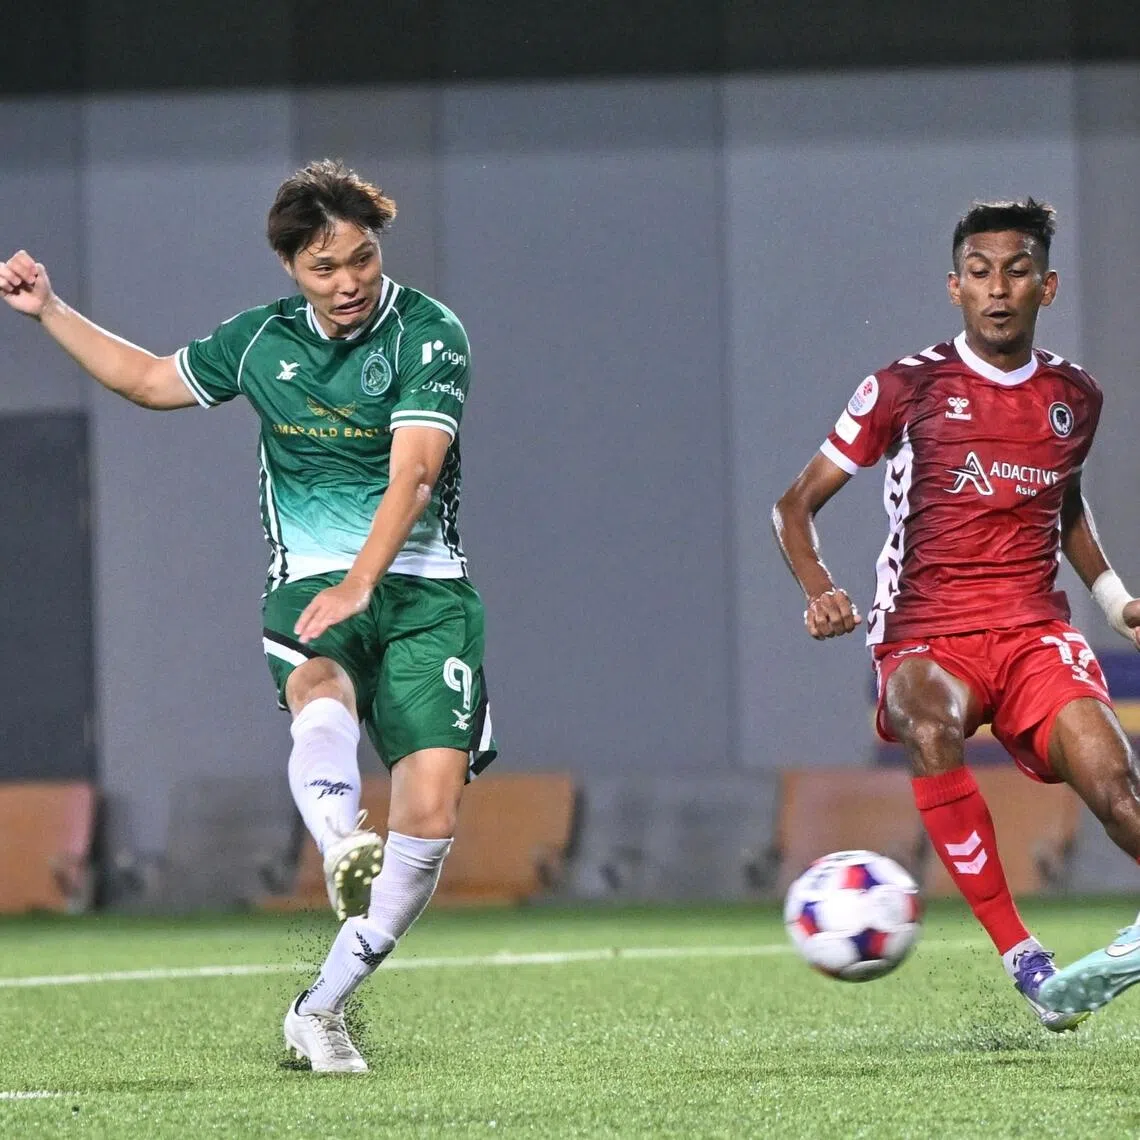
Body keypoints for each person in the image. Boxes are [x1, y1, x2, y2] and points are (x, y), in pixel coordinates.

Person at [0, 159, 496, 1072]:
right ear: (289, 268)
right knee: (320, 686)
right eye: (324, 267)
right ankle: (342, 837)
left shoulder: (430, 335)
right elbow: (150, 381)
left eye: (364, 259)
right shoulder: (260, 344)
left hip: (427, 593)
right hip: (311, 578)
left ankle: (322, 1009)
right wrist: (52, 311)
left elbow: (416, 474)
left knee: (429, 821)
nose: (349, 283)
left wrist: (366, 582)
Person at [771, 198, 1140, 1032]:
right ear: (954, 287)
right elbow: (793, 507)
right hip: (926, 632)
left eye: (1015, 272)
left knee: (1116, 787)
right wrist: (819, 587)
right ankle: (1024, 956)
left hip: (1035, 632)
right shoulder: (904, 388)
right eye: (979, 273)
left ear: (1046, 286)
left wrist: (1114, 601)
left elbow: (1064, 504)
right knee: (926, 725)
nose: (997, 289)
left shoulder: (1074, 396)